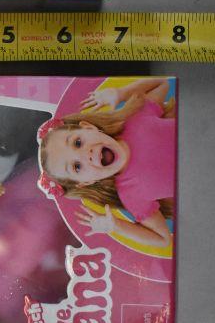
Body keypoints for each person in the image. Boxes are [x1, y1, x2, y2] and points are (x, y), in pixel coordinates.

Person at [37, 78, 176, 247]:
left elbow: (162, 83)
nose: (85, 154)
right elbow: (162, 239)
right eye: (76, 166)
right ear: (86, 182)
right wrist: (115, 226)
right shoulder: (131, 195)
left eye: (77, 143)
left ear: (88, 127)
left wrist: (120, 94)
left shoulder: (135, 119)